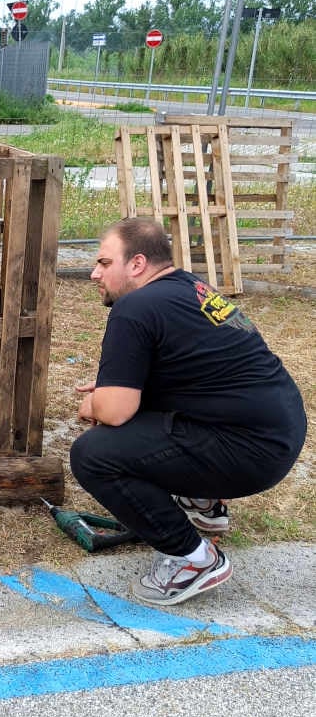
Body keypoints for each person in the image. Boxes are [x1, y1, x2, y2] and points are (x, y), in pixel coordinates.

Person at [70, 218, 306, 606]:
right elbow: (192, 370)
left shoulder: (133, 308)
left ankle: (194, 559)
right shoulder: (189, 287)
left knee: (94, 454)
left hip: (250, 450)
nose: (94, 273)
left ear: (137, 263)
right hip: (278, 429)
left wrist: (98, 401)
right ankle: (203, 506)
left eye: (104, 263)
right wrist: (121, 387)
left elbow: (112, 413)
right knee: (146, 412)